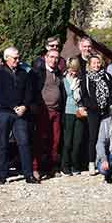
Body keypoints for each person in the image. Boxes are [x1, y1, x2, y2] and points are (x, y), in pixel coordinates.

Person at [0, 47, 34, 184]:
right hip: (4, 112)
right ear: (6, 58)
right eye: (15, 58)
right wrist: (13, 107)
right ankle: (2, 175)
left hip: (20, 113)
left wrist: (24, 106)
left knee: (24, 142)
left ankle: (28, 174)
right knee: (2, 144)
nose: (18, 60)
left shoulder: (23, 73)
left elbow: (29, 92)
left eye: (18, 57)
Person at [32, 49, 66, 179]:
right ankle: (35, 168)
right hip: (43, 111)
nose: (54, 60)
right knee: (40, 140)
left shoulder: (58, 73)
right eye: (51, 57)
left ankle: (52, 167)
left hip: (56, 111)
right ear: (46, 58)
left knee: (55, 141)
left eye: (56, 58)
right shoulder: (39, 72)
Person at [81, 54, 112, 174]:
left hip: (105, 111)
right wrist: (91, 106)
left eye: (98, 62)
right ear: (89, 65)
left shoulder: (106, 76)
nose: (96, 65)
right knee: (93, 137)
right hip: (93, 112)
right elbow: (84, 95)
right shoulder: (86, 78)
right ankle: (91, 162)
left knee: (106, 137)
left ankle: (105, 161)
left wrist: (109, 106)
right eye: (93, 63)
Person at [61, 58, 85, 176]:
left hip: (80, 111)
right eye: (71, 69)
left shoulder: (81, 79)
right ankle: (65, 165)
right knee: (67, 141)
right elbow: (67, 94)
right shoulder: (64, 79)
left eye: (75, 70)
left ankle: (75, 165)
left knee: (78, 140)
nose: (73, 72)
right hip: (68, 111)